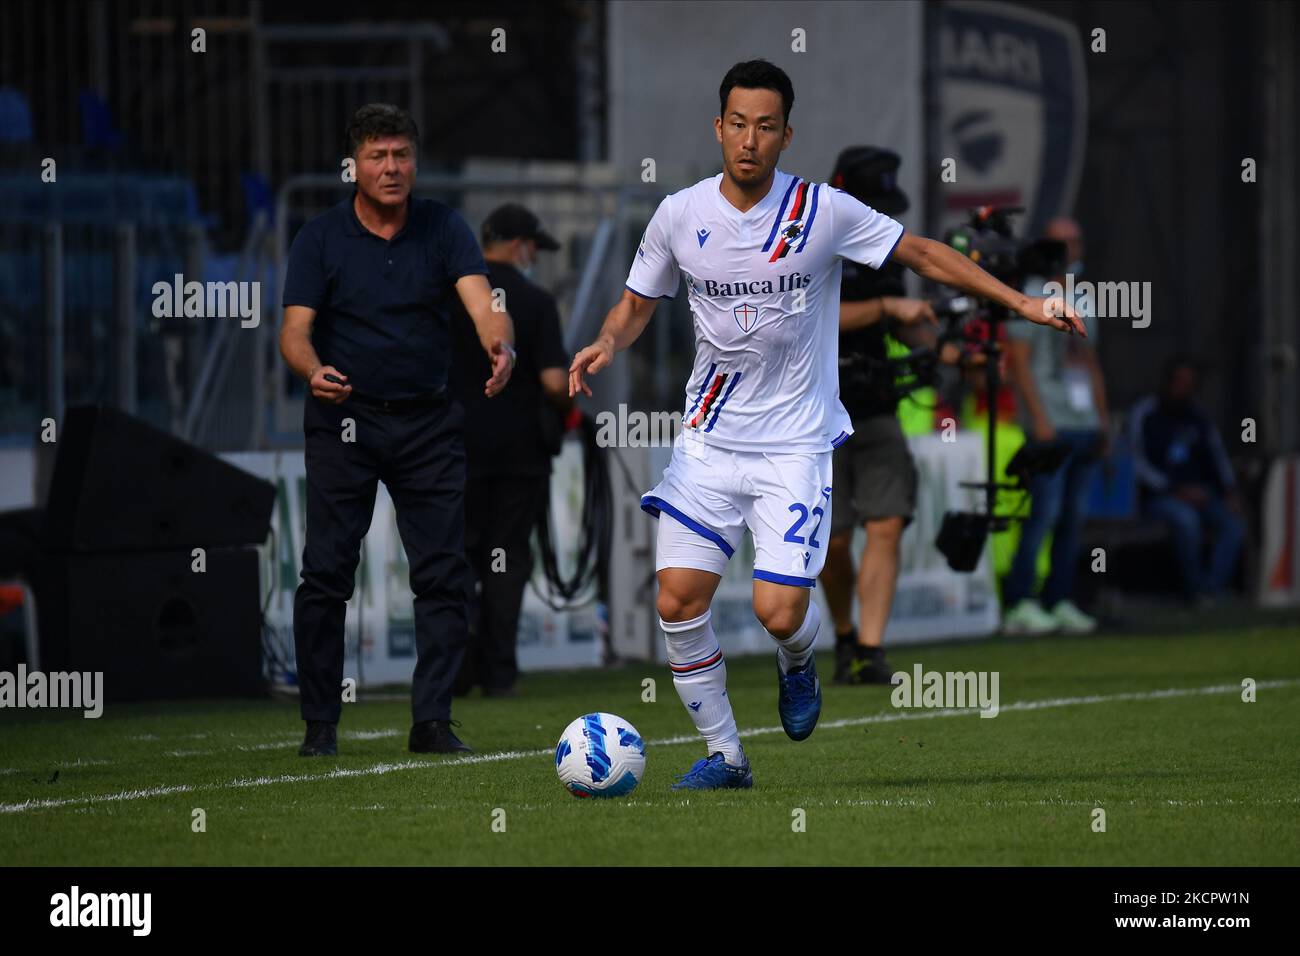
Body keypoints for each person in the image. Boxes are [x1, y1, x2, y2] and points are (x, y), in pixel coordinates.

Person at [568, 60, 1083, 790]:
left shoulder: (821, 211)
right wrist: (606, 339)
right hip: (709, 441)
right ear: (719, 128)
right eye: (738, 124)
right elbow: (638, 300)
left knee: (781, 613)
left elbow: (925, 253)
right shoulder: (679, 215)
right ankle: (727, 756)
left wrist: (1024, 305)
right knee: (678, 600)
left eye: (766, 127)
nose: (749, 140)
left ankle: (800, 659)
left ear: (787, 135)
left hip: (794, 446)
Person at [278, 104, 516, 757]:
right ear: (353, 165)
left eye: (402, 155)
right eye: (379, 156)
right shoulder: (319, 238)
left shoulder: (444, 227)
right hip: (342, 422)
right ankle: (320, 724)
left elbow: (484, 304)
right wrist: (313, 368)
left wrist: (503, 346)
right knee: (326, 571)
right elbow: (293, 333)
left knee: (442, 573)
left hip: (427, 422)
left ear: (416, 159)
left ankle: (432, 721)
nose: (392, 168)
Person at [819, 146, 967, 686]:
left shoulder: (881, 248)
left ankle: (871, 649)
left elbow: (904, 324)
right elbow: (805, 317)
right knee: (832, 540)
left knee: (885, 525)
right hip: (817, 414)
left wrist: (948, 350)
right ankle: (842, 636)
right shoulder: (807, 242)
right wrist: (885, 309)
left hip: (877, 404)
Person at [448, 204, 572, 697]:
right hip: (518, 455)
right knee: (505, 559)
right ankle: (499, 672)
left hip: (452, 448)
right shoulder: (536, 301)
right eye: (534, 249)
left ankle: (453, 671)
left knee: (453, 558)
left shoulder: (450, 297)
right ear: (522, 246)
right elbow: (555, 383)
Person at [1002, 217, 1108, 635]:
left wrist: (1102, 418)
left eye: (1075, 240)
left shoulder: (1084, 295)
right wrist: (1039, 419)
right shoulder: (1029, 294)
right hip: (1050, 420)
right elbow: (1020, 365)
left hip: (1081, 418)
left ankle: (1059, 598)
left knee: (1072, 516)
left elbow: (1090, 361)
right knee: (1043, 513)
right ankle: (1019, 601)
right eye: (1061, 242)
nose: (1070, 249)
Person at [1130, 355, 1245, 603]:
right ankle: (1195, 591)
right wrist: (1172, 489)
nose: (1183, 388)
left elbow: (1218, 457)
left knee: (1233, 524)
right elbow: (1135, 461)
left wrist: (1229, 492)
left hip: (1201, 494)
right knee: (1186, 520)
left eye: (1189, 383)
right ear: (1167, 382)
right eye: (1178, 382)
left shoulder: (1198, 416)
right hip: (1160, 497)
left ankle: (1212, 590)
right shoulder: (1146, 413)